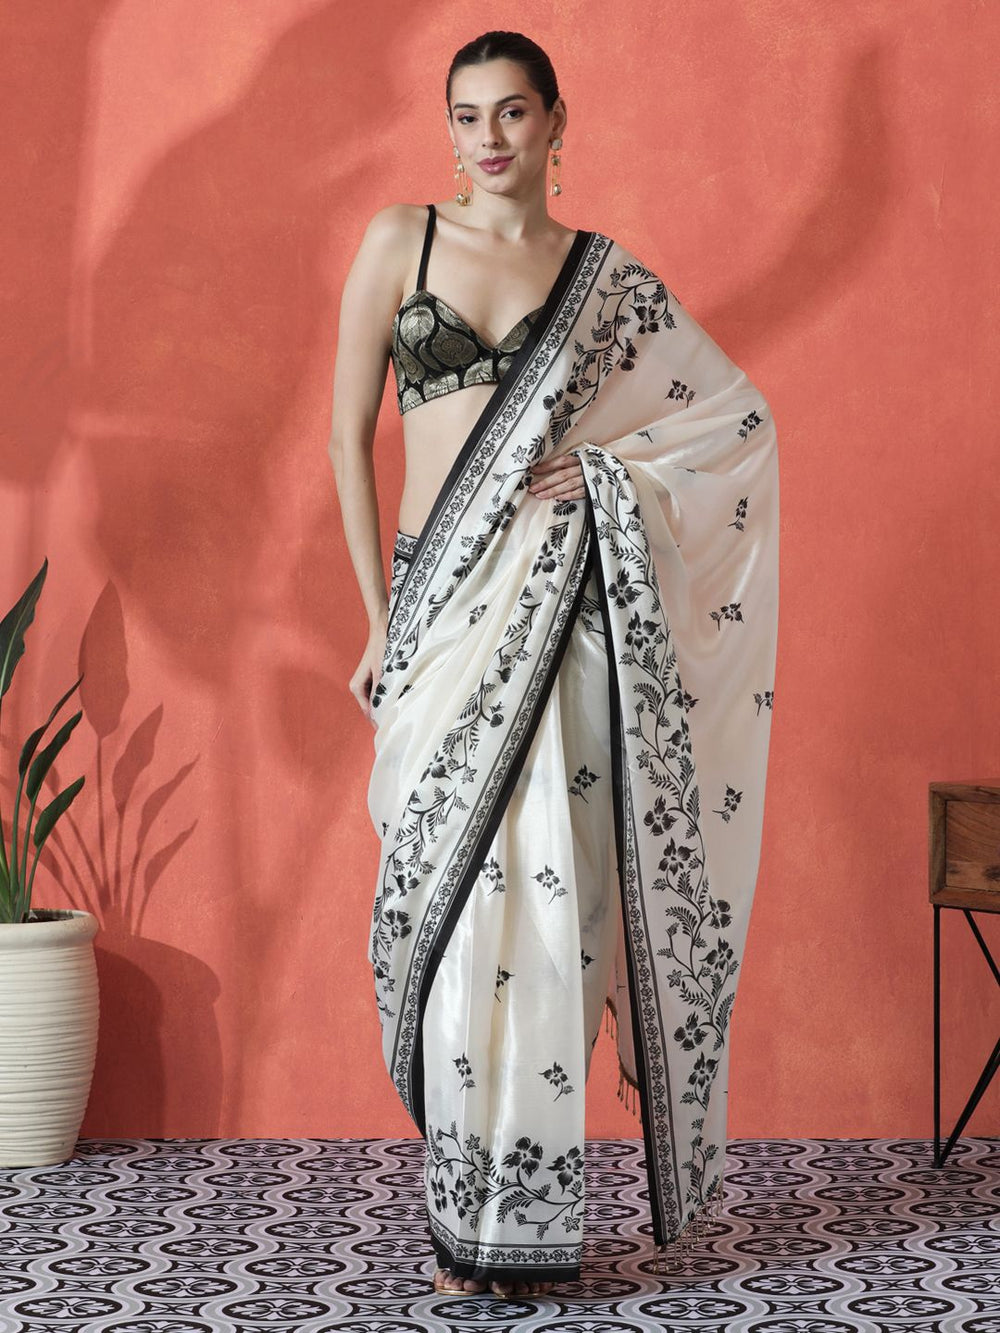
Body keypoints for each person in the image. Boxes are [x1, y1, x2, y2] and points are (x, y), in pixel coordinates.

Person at [328, 29, 779, 1302]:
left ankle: (518, 1216)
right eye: (466, 114)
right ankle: (463, 1205)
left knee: (548, 901)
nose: (487, 137)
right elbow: (344, 440)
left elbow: (734, 425)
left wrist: (606, 469)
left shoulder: (603, 278)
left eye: (512, 112)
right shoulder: (399, 242)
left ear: (555, 121)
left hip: (559, 614)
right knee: (449, 898)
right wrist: (377, 618)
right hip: (438, 609)